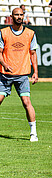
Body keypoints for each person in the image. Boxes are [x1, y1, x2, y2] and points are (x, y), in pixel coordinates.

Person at [0, 7, 39, 142]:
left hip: (22, 75)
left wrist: (36, 72)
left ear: (23, 16)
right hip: (5, 75)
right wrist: (5, 65)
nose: (19, 17)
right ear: (11, 16)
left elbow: (33, 54)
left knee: (26, 102)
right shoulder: (3, 32)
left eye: (21, 15)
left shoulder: (30, 33)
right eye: (16, 14)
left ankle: (33, 133)